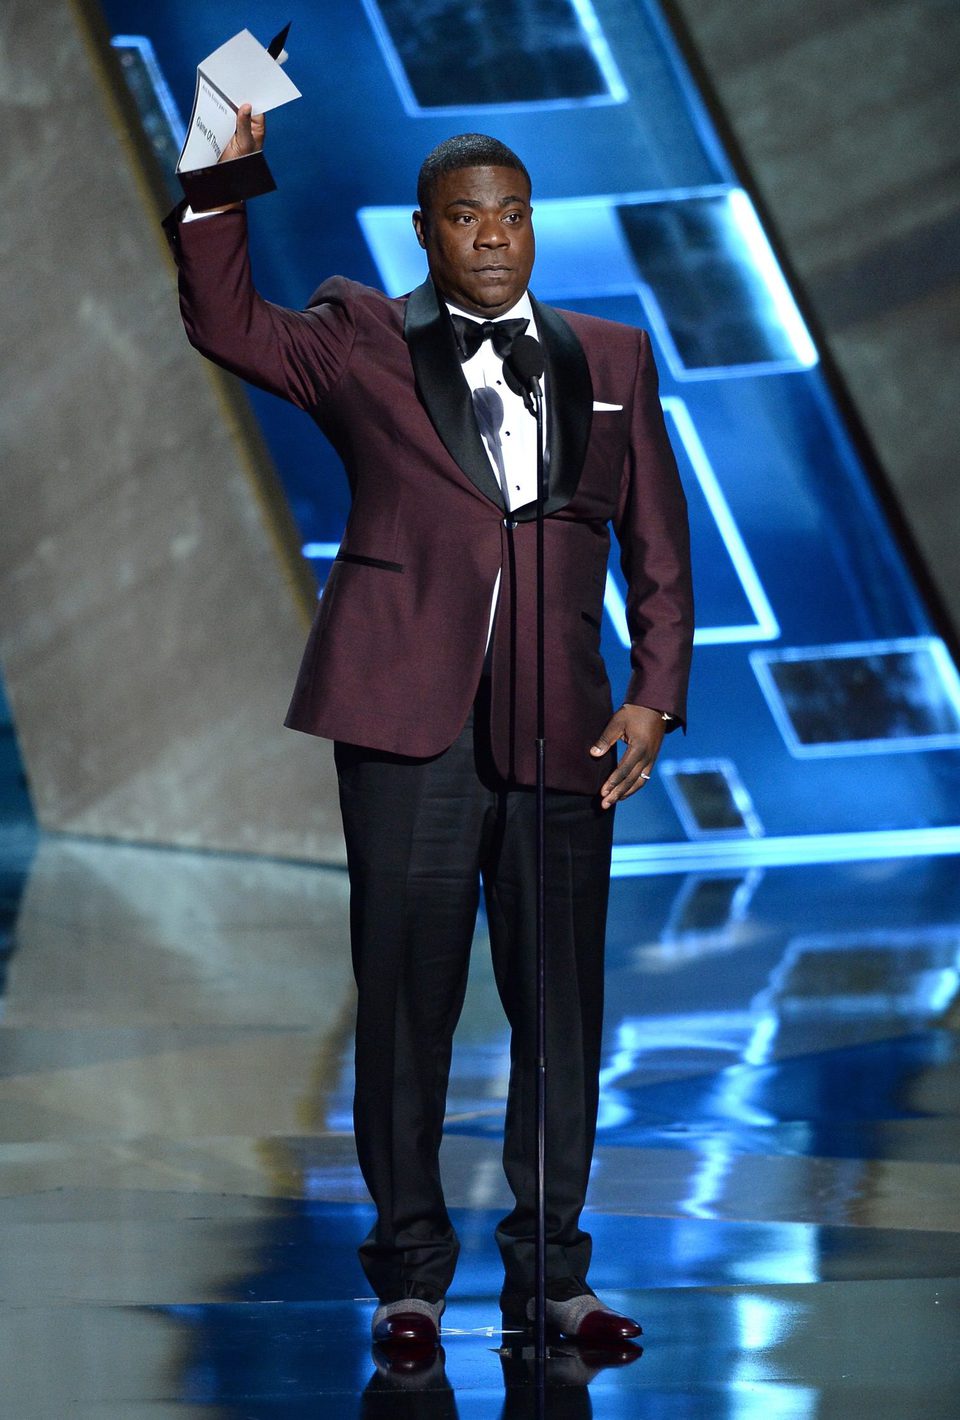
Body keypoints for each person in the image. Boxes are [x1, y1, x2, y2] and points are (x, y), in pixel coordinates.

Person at [169, 105, 693, 1349]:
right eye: (467, 219)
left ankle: (555, 1277)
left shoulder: (613, 359)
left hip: (565, 728)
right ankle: (410, 1277)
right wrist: (216, 161)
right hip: (409, 722)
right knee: (407, 1005)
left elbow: (660, 546)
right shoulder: (358, 339)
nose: (496, 239)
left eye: (513, 215)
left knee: (561, 1012)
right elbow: (224, 318)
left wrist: (655, 691)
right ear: (425, 235)